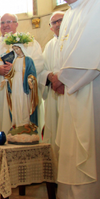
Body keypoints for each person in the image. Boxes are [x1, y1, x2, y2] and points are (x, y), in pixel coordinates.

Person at [46, 0, 100, 199]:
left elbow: (94, 48)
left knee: (90, 149)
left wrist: (63, 79)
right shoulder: (69, 14)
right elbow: (63, 53)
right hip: (73, 93)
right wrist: (58, 76)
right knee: (75, 149)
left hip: (93, 92)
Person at [0, 13, 44, 146]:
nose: (6, 25)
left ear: (17, 24)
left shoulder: (30, 43)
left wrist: (18, 70)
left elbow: (39, 63)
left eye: (9, 22)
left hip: (22, 94)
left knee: (21, 122)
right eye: (2, 23)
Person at [38, 11, 64, 163]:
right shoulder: (49, 46)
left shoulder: (75, 40)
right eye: (54, 23)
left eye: (60, 20)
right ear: (50, 28)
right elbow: (42, 68)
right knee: (53, 129)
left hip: (71, 91)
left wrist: (61, 78)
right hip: (53, 94)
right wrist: (50, 77)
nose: (58, 24)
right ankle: (54, 170)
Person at [3, 38, 39, 144]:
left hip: (24, 85)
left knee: (24, 103)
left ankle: (25, 124)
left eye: (17, 48)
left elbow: (32, 72)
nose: (16, 51)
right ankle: (17, 123)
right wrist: (7, 80)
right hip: (16, 84)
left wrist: (30, 79)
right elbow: (12, 73)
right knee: (16, 103)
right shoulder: (15, 60)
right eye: (14, 49)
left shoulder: (28, 60)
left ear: (22, 48)